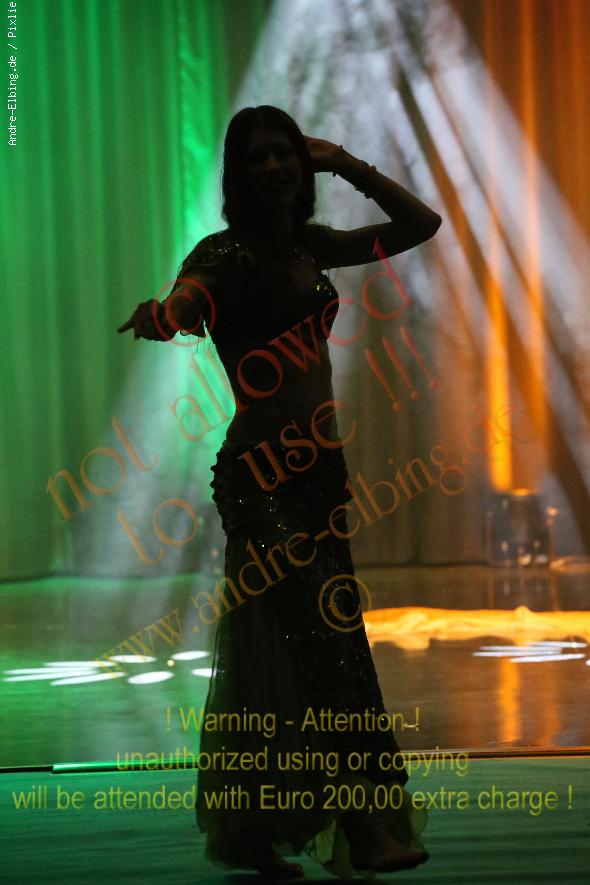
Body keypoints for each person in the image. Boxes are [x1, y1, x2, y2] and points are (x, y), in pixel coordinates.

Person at [118, 105, 441, 880]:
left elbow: (421, 224)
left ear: (302, 164)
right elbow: (190, 298)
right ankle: (363, 827)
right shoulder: (223, 255)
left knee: (284, 645)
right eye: (256, 157)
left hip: (321, 476)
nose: (272, 167)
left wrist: (347, 162)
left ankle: (249, 826)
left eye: (283, 154)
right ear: (237, 173)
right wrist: (166, 315)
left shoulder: (311, 247)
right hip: (259, 478)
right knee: (325, 646)